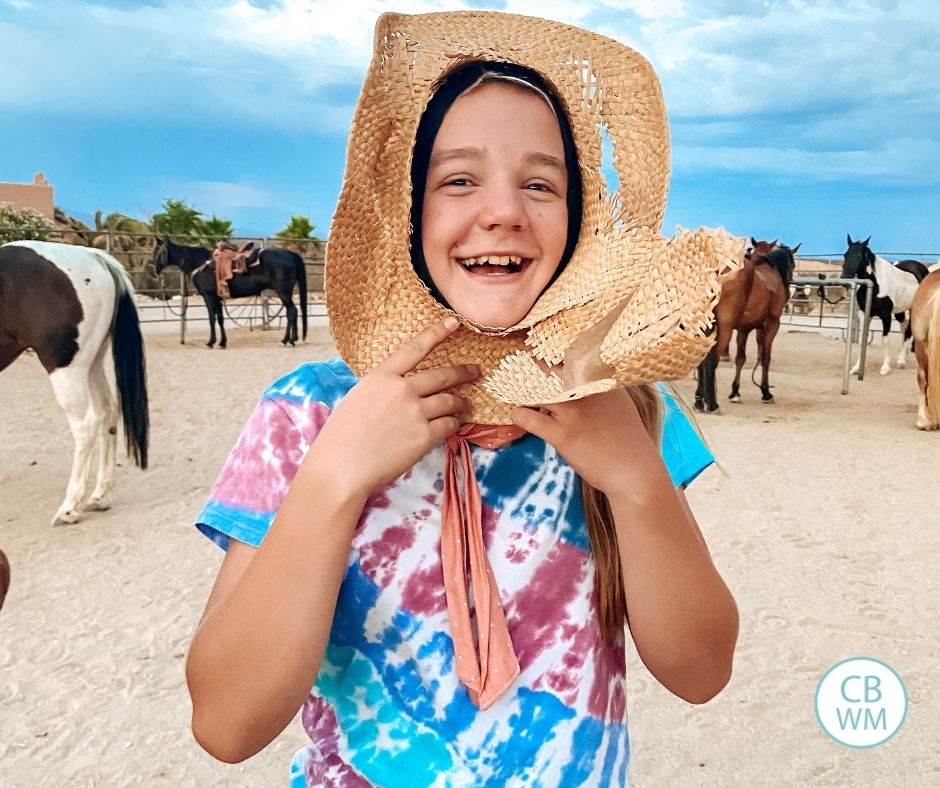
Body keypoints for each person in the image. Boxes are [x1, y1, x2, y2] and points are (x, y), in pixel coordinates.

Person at [186, 11, 740, 786]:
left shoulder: (628, 407)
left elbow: (701, 669)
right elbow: (225, 721)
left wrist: (638, 480)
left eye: (541, 183)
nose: (504, 210)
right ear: (406, 214)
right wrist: (334, 475)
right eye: (458, 178)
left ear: (579, 224)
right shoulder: (308, 414)